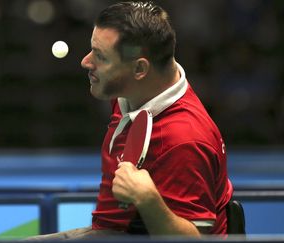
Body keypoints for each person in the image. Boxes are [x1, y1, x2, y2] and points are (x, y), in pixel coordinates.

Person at [26, 1, 233, 240]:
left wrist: (148, 200)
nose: (85, 61)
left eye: (101, 57)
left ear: (139, 69)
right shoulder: (135, 90)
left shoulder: (184, 138)